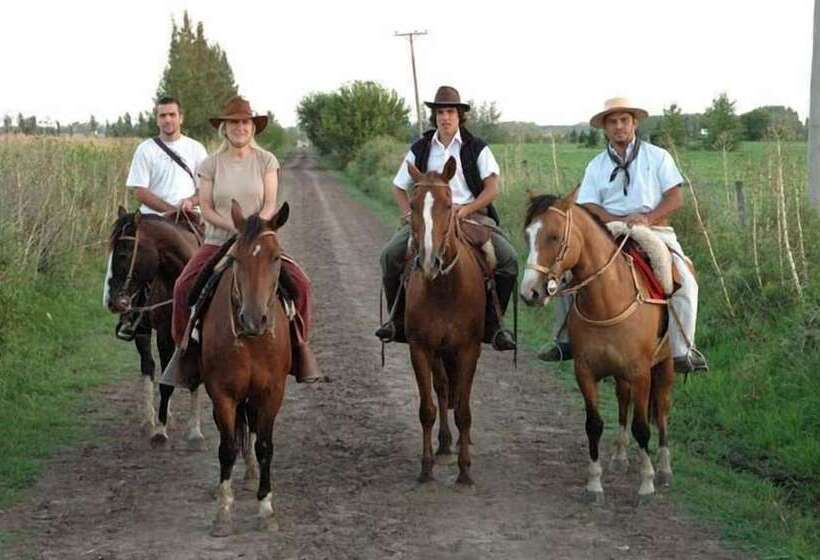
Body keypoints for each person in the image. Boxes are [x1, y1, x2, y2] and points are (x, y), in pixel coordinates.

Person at [540, 97, 708, 373]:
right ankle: (564, 340)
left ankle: (682, 351)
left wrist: (646, 218)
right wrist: (615, 220)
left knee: (685, 280)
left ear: (634, 123)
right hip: (607, 232)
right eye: (613, 122)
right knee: (563, 277)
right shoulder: (596, 165)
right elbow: (589, 204)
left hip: (655, 229)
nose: (619, 127)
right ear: (605, 128)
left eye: (624, 121)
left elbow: (675, 198)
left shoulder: (658, 157)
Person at [167, 96, 321, 383]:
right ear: (224, 128)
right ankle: (185, 352)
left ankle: (300, 348)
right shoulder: (210, 164)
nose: (240, 127)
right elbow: (207, 207)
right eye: (234, 122)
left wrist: (252, 229)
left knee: (301, 284)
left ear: (253, 127)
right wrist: (234, 227)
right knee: (181, 287)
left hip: (261, 241)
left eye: (245, 122)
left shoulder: (266, 161)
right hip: (218, 240)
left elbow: (270, 203)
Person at [375, 85, 518, 351]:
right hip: (429, 219)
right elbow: (399, 185)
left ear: (460, 115)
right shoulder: (420, 148)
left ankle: (494, 324)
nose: (445, 117)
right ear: (434, 116)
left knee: (508, 258)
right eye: (440, 112)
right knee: (389, 255)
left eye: (451, 111)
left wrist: (466, 209)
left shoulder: (477, 148)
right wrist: (410, 215)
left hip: (472, 216)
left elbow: (492, 188)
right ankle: (397, 320)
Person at [126, 96, 207, 215]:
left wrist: (191, 201)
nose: (167, 120)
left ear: (181, 118)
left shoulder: (196, 148)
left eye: (172, 115)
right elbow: (140, 191)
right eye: (162, 116)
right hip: (153, 218)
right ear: (157, 120)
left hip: (188, 218)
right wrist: (172, 211)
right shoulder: (145, 149)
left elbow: (205, 190)